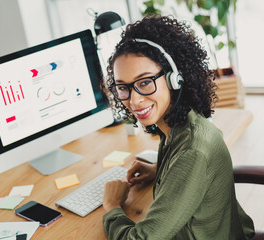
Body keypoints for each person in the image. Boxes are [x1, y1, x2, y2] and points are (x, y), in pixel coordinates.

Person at [101, 15, 255, 239]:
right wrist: (161, 171)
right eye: (123, 87)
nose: (134, 100)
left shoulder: (192, 150)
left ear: (175, 78)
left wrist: (113, 206)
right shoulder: (183, 123)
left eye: (145, 82)